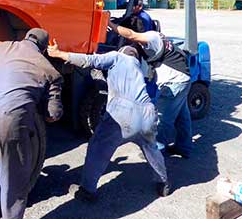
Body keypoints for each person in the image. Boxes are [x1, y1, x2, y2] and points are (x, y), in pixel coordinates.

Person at [0, 28, 63, 219]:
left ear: (25, 38)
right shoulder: (49, 70)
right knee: (13, 189)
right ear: (43, 48)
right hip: (5, 126)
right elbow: (53, 115)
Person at [48, 42, 169, 201]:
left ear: (122, 51)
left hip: (123, 112)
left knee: (98, 148)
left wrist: (59, 54)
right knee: (151, 148)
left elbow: (89, 60)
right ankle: (163, 183)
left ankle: (87, 190)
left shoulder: (117, 57)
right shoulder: (138, 67)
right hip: (147, 112)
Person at [108, 20, 192, 159]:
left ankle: (156, 151)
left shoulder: (151, 37)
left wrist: (110, 24)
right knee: (182, 117)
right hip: (183, 78)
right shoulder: (155, 38)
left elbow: (131, 34)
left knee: (161, 119)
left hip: (174, 82)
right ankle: (184, 147)